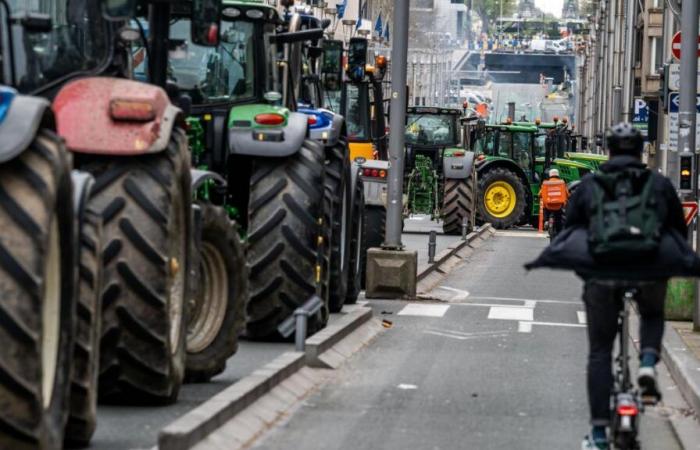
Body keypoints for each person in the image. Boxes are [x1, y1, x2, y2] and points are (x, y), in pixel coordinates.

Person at [563, 123, 687, 449]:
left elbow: (569, 233)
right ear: (639, 150)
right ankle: (647, 363)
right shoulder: (658, 185)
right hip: (647, 271)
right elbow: (678, 232)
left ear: (609, 150)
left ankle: (601, 434)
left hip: (602, 276)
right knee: (652, 313)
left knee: (601, 352)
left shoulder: (590, 185)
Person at [540, 168, 568, 237]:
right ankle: (559, 232)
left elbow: (540, 194)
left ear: (550, 175)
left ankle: (546, 221)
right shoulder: (562, 183)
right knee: (559, 219)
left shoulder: (545, 183)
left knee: (544, 207)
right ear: (558, 175)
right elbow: (567, 194)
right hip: (559, 206)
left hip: (548, 206)